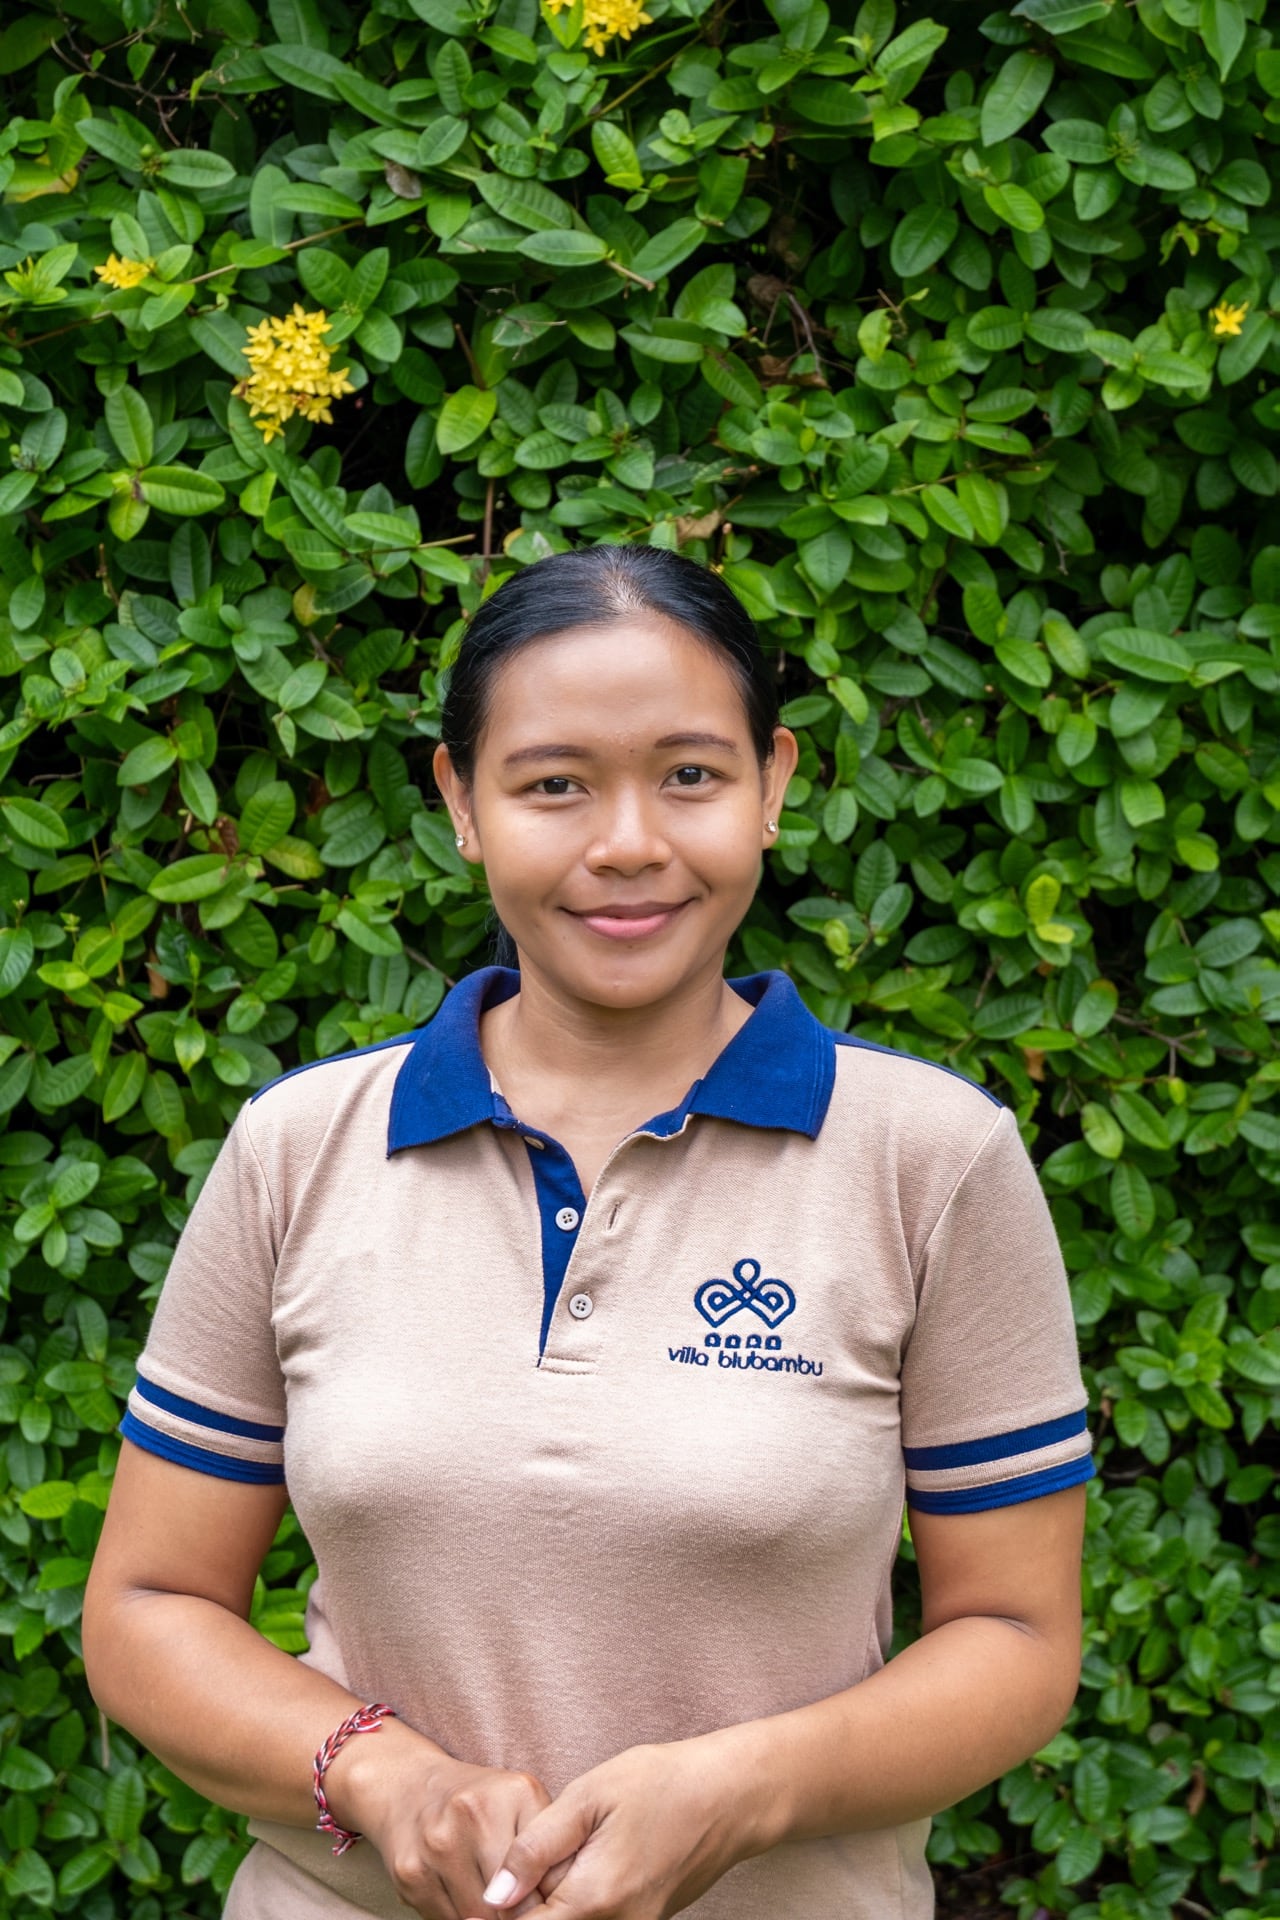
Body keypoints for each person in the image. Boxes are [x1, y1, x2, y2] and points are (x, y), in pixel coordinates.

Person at [84, 543, 1094, 1920]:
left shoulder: (932, 1161)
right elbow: (147, 1608)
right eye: (554, 783)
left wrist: (746, 1790)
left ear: (773, 786)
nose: (627, 842)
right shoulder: (298, 1150)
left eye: (691, 775)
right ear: (460, 803)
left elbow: (1017, 1636)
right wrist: (382, 1778)